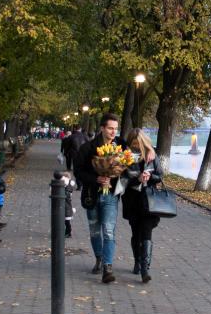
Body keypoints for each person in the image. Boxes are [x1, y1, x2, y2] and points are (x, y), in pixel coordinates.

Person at [75, 113, 126, 283]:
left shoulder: (121, 146)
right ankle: (99, 258)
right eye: (110, 128)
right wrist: (96, 179)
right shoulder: (88, 148)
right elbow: (78, 172)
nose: (113, 132)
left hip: (111, 196)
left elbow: (129, 166)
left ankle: (107, 267)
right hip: (92, 194)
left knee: (109, 230)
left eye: (115, 129)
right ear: (102, 128)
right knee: (95, 230)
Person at [122, 128, 161, 283]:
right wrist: (137, 178)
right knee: (136, 232)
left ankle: (145, 268)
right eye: (133, 143)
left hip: (149, 200)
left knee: (146, 232)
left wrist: (150, 176)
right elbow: (122, 179)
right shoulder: (126, 156)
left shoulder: (152, 156)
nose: (137, 146)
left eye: (139, 143)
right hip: (132, 199)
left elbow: (160, 175)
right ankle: (137, 261)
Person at [59, 171, 76, 238]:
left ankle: (68, 232)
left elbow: (67, 195)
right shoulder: (65, 185)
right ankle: (66, 231)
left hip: (67, 205)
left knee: (67, 220)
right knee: (64, 220)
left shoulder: (68, 186)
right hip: (65, 204)